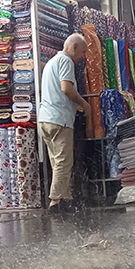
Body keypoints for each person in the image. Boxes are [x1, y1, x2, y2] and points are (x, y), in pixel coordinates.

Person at [38, 33, 90, 214]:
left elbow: (57, 94)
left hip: (46, 119)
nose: (82, 57)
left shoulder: (51, 63)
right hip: (59, 120)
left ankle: (65, 199)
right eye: (82, 52)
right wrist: (83, 103)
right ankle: (54, 201)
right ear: (74, 47)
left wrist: (74, 106)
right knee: (63, 162)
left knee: (57, 162)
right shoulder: (66, 61)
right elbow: (66, 89)